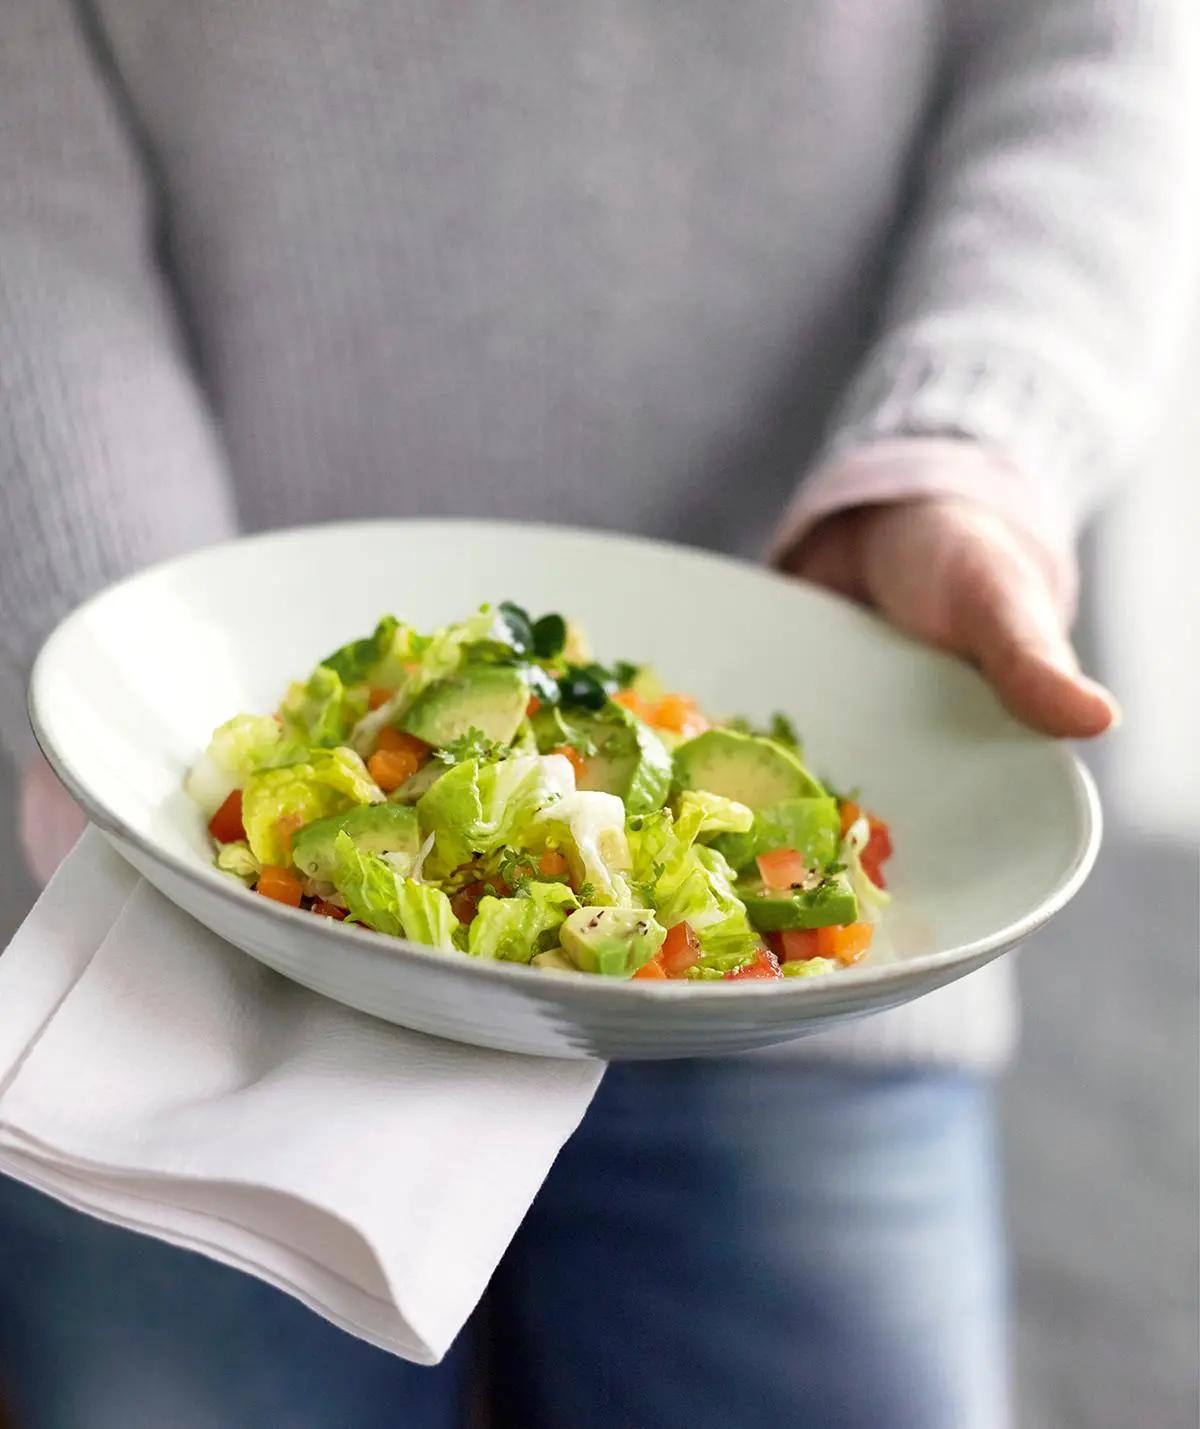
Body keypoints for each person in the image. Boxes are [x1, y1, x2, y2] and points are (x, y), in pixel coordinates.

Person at [0, 2, 1194, 1426]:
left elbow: (1096, 45)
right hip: (186, 925)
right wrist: (135, 685)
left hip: (795, 999)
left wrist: (965, 446)